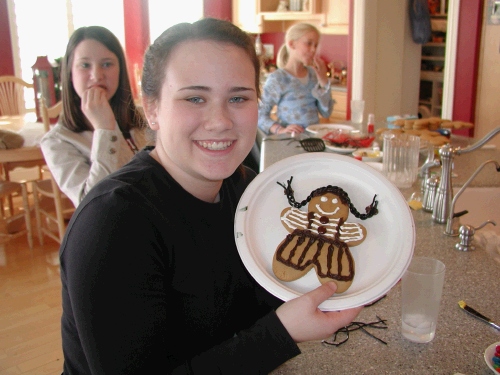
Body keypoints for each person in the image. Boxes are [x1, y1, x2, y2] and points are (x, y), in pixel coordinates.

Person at [59, 18, 362, 374]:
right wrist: (280, 334)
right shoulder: (113, 222)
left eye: (238, 97)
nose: (219, 121)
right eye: (195, 97)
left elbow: (266, 291)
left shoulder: (248, 191)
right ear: (152, 108)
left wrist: (365, 273)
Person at [41, 26, 152, 207]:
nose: (97, 75)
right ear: (70, 73)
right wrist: (104, 129)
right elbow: (93, 205)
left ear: (120, 70)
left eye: (107, 64)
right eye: (85, 65)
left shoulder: (145, 117)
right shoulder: (57, 142)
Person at [258, 23, 334, 135]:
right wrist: (280, 130)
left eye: (316, 45)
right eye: (309, 44)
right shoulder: (278, 79)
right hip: (289, 141)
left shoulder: (313, 75)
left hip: (313, 140)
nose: (313, 49)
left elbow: (326, 113)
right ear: (292, 44)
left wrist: (323, 81)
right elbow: (259, 114)